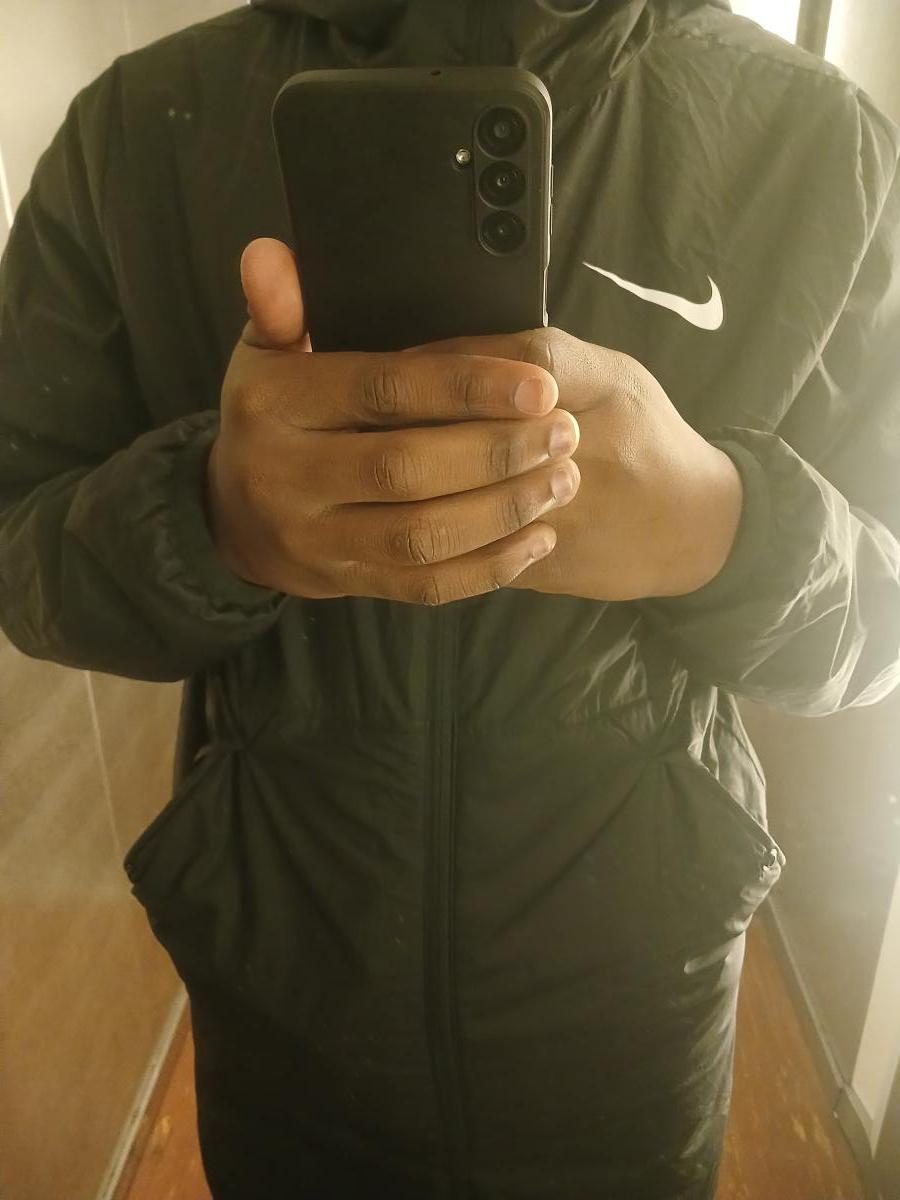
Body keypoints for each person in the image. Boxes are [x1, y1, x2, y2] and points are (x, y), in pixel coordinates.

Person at [2, 0, 899, 1196]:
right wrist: (207, 518)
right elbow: (19, 543)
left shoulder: (815, 144)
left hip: (632, 1014)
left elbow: (884, 613)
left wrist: (721, 528)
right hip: (284, 999)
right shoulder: (134, 133)